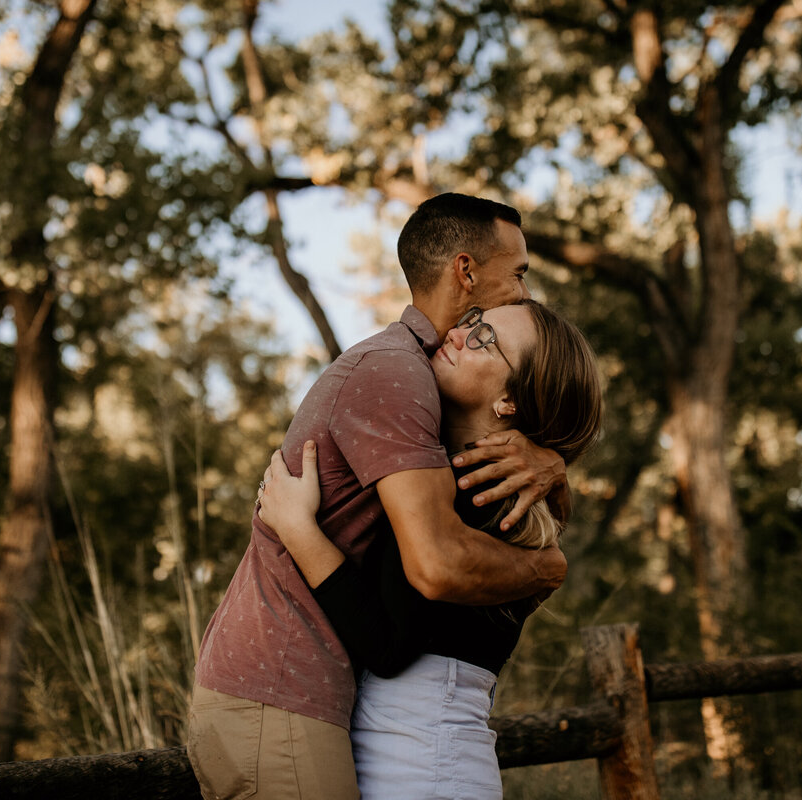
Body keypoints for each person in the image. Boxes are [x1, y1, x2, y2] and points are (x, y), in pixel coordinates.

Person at [187, 194, 572, 800]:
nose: (524, 290)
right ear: (467, 272)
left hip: (353, 716)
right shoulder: (399, 374)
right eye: (519, 272)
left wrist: (553, 461)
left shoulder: (463, 442)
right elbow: (435, 566)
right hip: (283, 687)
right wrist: (544, 568)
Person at [257, 300, 604, 799]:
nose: (461, 334)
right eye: (473, 322)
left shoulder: (478, 500)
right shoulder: (504, 497)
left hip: (422, 764)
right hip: (426, 754)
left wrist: (299, 531)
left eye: (486, 338)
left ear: (509, 403)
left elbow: (389, 647)